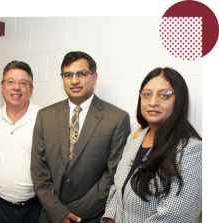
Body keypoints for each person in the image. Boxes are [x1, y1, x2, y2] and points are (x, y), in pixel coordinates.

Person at [31, 51, 130, 223]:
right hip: (50, 216)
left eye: (82, 74)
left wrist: (71, 213)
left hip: (91, 216)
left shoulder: (117, 118)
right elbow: (39, 171)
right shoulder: (44, 116)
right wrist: (57, 212)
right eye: (68, 75)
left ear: (94, 77)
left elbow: (113, 175)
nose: (74, 80)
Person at [101, 67, 202, 223]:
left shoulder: (191, 150)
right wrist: (110, 218)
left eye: (164, 95)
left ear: (179, 100)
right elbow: (117, 188)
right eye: (147, 94)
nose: (153, 102)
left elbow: (174, 217)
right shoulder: (135, 138)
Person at [0, 60, 42, 223]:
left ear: (31, 90)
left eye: (23, 83)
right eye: (11, 82)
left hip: (35, 208)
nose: (16, 87)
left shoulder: (44, 119)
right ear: (2, 87)